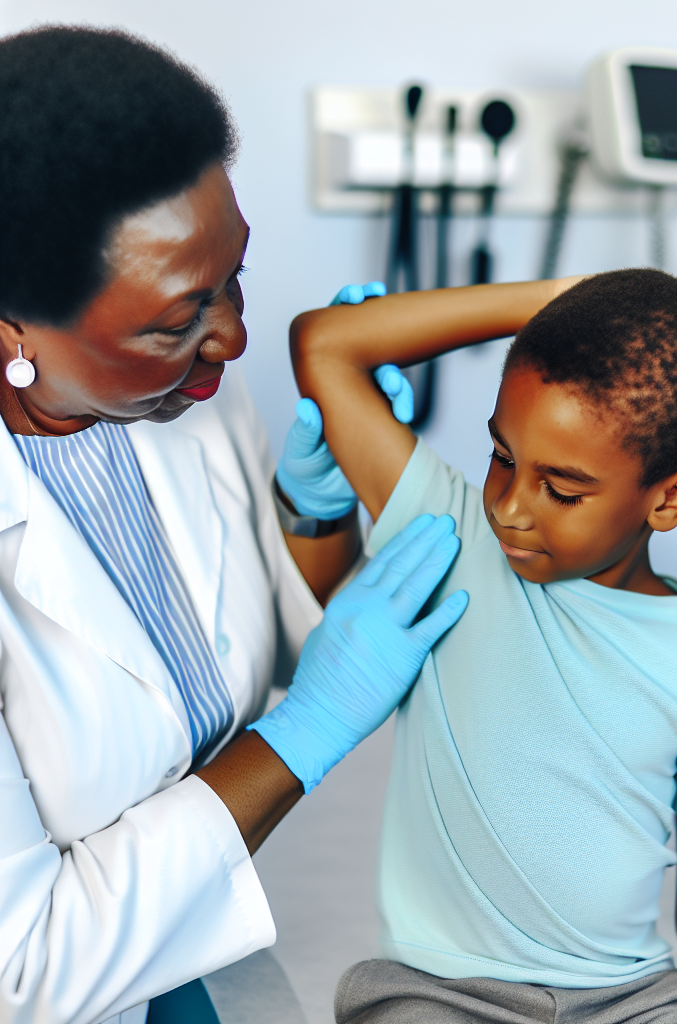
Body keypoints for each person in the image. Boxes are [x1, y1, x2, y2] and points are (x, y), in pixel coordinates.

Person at [0, 26, 467, 1024]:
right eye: (175, 320)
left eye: (235, 277)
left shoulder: (180, 400)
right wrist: (303, 736)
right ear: (13, 332)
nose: (234, 337)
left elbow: (295, 642)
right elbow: (25, 973)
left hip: (192, 953)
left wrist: (310, 508)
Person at [290, 273, 677, 1024]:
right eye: (502, 457)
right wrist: (569, 298)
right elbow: (325, 342)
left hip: (631, 1000)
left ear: (670, 498)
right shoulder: (449, 535)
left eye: (563, 490)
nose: (511, 508)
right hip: (438, 993)